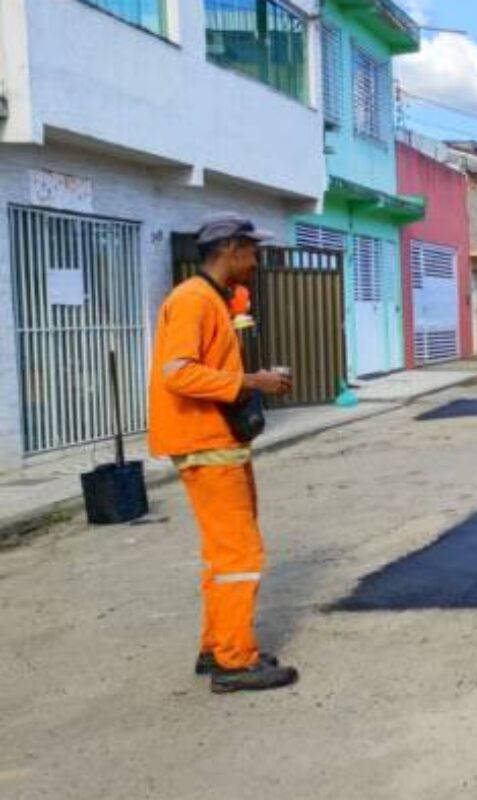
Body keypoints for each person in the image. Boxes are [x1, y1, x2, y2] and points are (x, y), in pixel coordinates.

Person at [149, 212, 298, 694]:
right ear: (231, 248)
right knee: (240, 554)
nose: (256, 260)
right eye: (252, 251)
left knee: (223, 554)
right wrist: (250, 382)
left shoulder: (209, 298)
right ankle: (235, 661)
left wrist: (248, 379)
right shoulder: (193, 300)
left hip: (213, 441)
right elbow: (179, 374)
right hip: (206, 442)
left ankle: (217, 647)